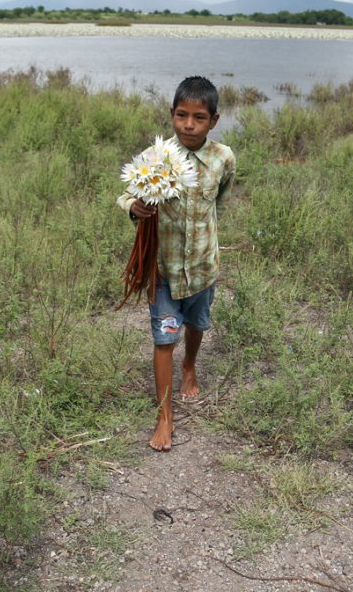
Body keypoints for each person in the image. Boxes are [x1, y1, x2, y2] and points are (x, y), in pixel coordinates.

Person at [117, 75, 236, 451]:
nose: (188, 124)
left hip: (203, 268)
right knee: (164, 338)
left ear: (213, 120)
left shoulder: (223, 158)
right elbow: (127, 194)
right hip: (163, 272)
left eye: (199, 117)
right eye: (182, 115)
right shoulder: (158, 158)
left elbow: (219, 200)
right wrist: (133, 207)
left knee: (197, 325)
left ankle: (190, 365)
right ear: (171, 115)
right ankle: (165, 416)